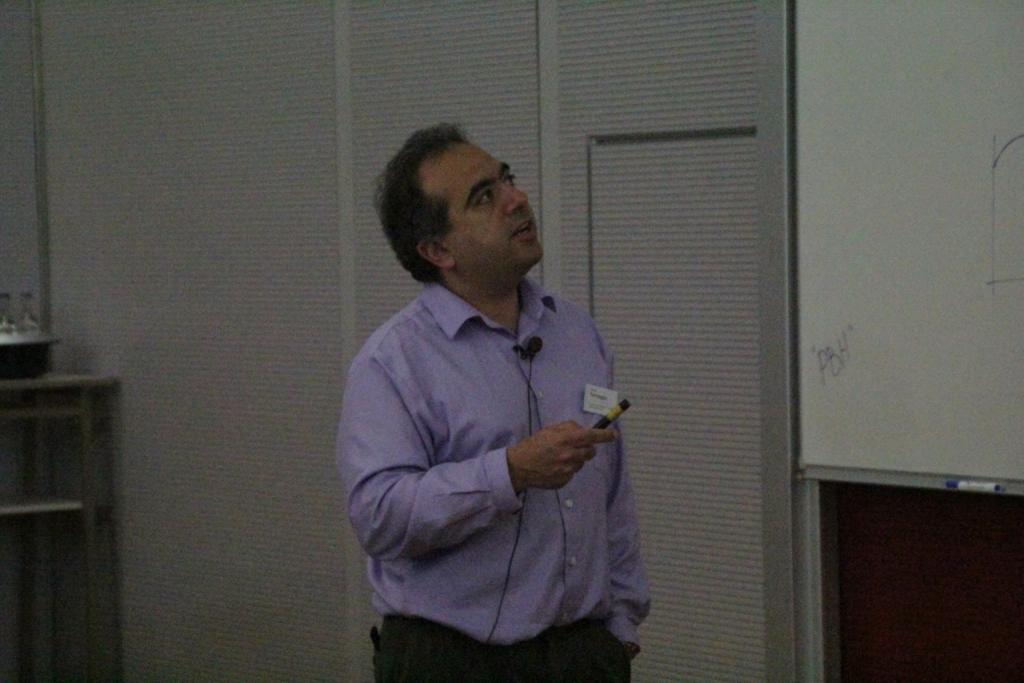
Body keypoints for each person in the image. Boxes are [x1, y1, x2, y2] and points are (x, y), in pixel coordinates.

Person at [337, 123, 649, 682]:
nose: (516, 199)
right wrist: (509, 473)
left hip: (582, 655)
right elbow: (380, 516)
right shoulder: (394, 361)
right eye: (484, 197)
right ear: (438, 250)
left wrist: (621, 627)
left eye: (507, 179)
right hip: (454, 662)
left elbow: (611, 494)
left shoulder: (576, 332)